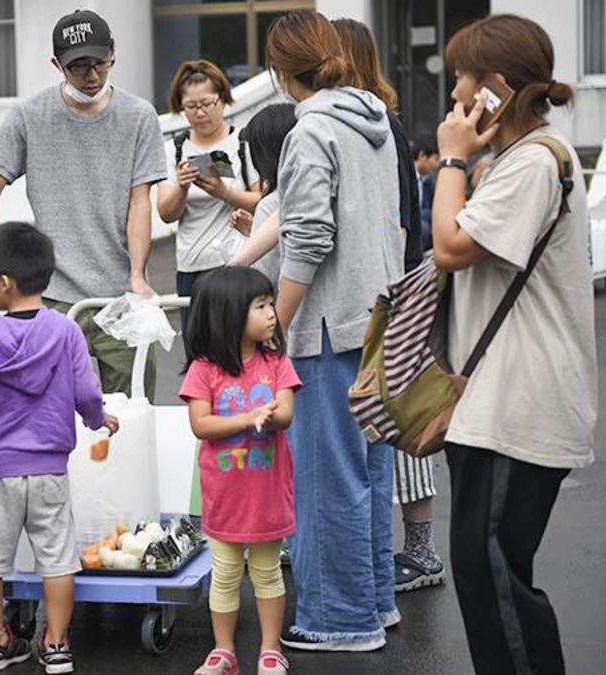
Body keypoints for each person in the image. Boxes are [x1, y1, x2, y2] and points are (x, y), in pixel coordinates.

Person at [434, 15, 595, 674]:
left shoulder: (535, 162)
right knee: (484, 571)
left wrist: (450, 157)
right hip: (496, 405)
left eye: (458, 83)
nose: (452, 100)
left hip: (517, 406)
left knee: (493, 575)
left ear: (494, 87)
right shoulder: (519, 160)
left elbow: (449, 246)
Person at [266, 11, 404, 652]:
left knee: (327, 477)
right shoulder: (372, 120)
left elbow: (309, 237)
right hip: (377, 315)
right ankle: (374, 601)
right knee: (370, 471)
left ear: (280, 68)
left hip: (328, 326)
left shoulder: (312, 131)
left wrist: (277, 324)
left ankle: (339, 619)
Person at [0, 9, 168, 400]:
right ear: (57, 64)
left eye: (99, 64)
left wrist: (138, 275)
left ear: (113, 54)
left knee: (133, 409)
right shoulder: (28, 116)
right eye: (78, 67)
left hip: (119, 295)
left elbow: (140, 202)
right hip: (47, 291)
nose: (91, 76)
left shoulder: (139, 116)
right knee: (41, 408)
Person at [0, 222, 119, 674]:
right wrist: (95, 419)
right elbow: (87, 390)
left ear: (3, 283)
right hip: (48, 469)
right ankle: (57, 643)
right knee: (58, 558)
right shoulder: (65, 332)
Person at [332, 16, 446, 594]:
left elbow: (403, 217)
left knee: (399, 420)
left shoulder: (377, 129)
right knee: (392, 421)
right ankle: (410, 555)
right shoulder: (383, 125)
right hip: (397, 285)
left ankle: (422, 553)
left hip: (392, 291)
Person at [179, 267, 300, 675]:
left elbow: (285, 414)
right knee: (226, 573)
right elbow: (201, 424)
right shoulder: (204, 369)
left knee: (267, 572)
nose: (272, 314)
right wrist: (249, 418)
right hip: (225, 495)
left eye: (271, 304)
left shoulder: (277, 362)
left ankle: (270, 650)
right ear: (229, 315)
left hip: (266, 493)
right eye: (261, 306)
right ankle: (224, 651)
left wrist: (269, 416)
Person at [156, 60, 261, 329]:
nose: (199, 112)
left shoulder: (244, 143)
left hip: (237, 262)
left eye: (206, 103)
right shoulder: (174, 150)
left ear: (223, 99)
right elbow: (166, 213)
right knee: (198, 353)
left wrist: (224, 192)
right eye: (190, 106)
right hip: (191, 266)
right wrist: (181, 186)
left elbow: (264, 203)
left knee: (238, 348)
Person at [227, 103, 298, 283]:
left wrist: (256, 235)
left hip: (294, 306)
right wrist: (255, 231)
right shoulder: (324, 187)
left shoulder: (272, 204)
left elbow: (265, 274)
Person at [412, 135, 439, 246]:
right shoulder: (405, 176)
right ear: (422, 156)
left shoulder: (429, 180)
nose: (437, 164)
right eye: (435, 159)